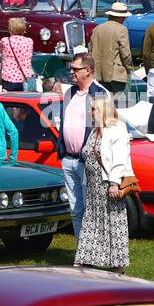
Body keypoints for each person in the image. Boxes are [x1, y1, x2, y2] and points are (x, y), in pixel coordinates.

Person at [51, 52, 108, 237]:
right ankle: (80, 255)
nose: (71, 72)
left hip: (87, 162)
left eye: (75, 69)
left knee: (91, 210)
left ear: (88, 70)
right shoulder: (71, 92)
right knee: (76, 211)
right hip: (68, 159)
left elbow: (106, 129)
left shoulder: (99, 94)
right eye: (71, 69)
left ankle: (92, 254)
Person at [74, 95, 133, 274]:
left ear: (103, 110)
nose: (90, 113)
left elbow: (120, 157)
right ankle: (84, 261)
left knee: (113, 225)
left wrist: (114, 183)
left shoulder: (116, 129)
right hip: (93, 188)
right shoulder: (96, 130)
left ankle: (118, 266)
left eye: (94, 109)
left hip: (108, 185)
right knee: (92, 223)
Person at [87, 2, 133, 95]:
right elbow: (125, 53)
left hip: (98, 73)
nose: (125, 19)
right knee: (118, 104)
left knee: (101, 103)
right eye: (124, 17)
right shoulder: (122, 29)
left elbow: (90, 49)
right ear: (119, 17)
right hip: (115, 74)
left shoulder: (97, 29)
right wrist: (129, 68)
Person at [0, 17, 35, 92]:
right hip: (26, 79)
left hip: (9, 78)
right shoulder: (29, 41)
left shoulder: (5, 41)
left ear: (11, 29)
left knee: (10, 101)